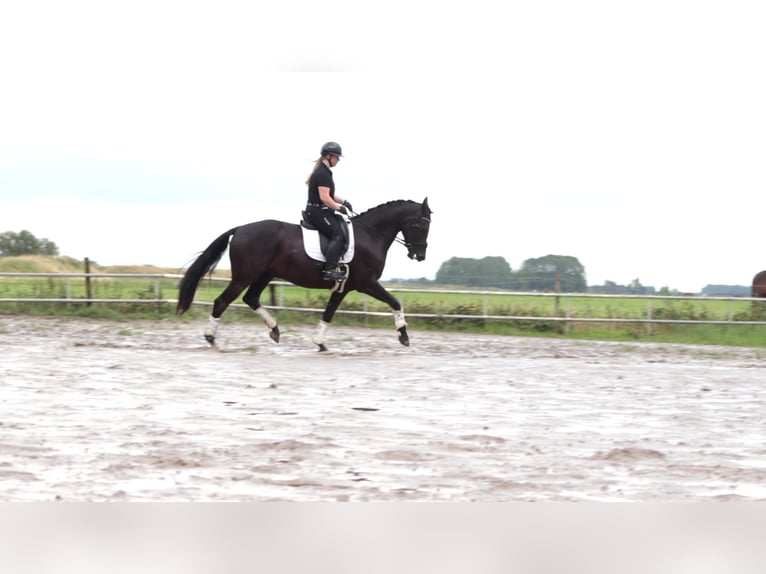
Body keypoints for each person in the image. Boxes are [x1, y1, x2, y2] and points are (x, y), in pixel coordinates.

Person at [304, 141, 353, 281]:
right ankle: (329, 270)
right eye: (337, 157)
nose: (338, 160)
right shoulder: (323, 173)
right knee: (338, 235)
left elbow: (330, 195)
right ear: (328, 156)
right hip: (317, 211)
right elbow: (325, 198)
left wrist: (344, 201)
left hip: (321, 210)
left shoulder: (324, 172)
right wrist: (339, 208)